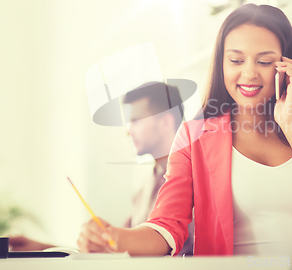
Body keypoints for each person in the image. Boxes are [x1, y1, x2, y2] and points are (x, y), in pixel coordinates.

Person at [77, 4, 292, 269]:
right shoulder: (194, 138)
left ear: (286, 66)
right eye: (236, 60)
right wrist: (116, 238)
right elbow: (167, 227)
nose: (249, 73)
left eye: (264, 62)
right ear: (222, 64)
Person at [10, 82, 194, 256]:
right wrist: (45, 249)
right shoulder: (143, 191)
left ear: (166, 122)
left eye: (136, 121)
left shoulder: (193, 180)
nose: (128, 132)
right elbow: (117, 251)